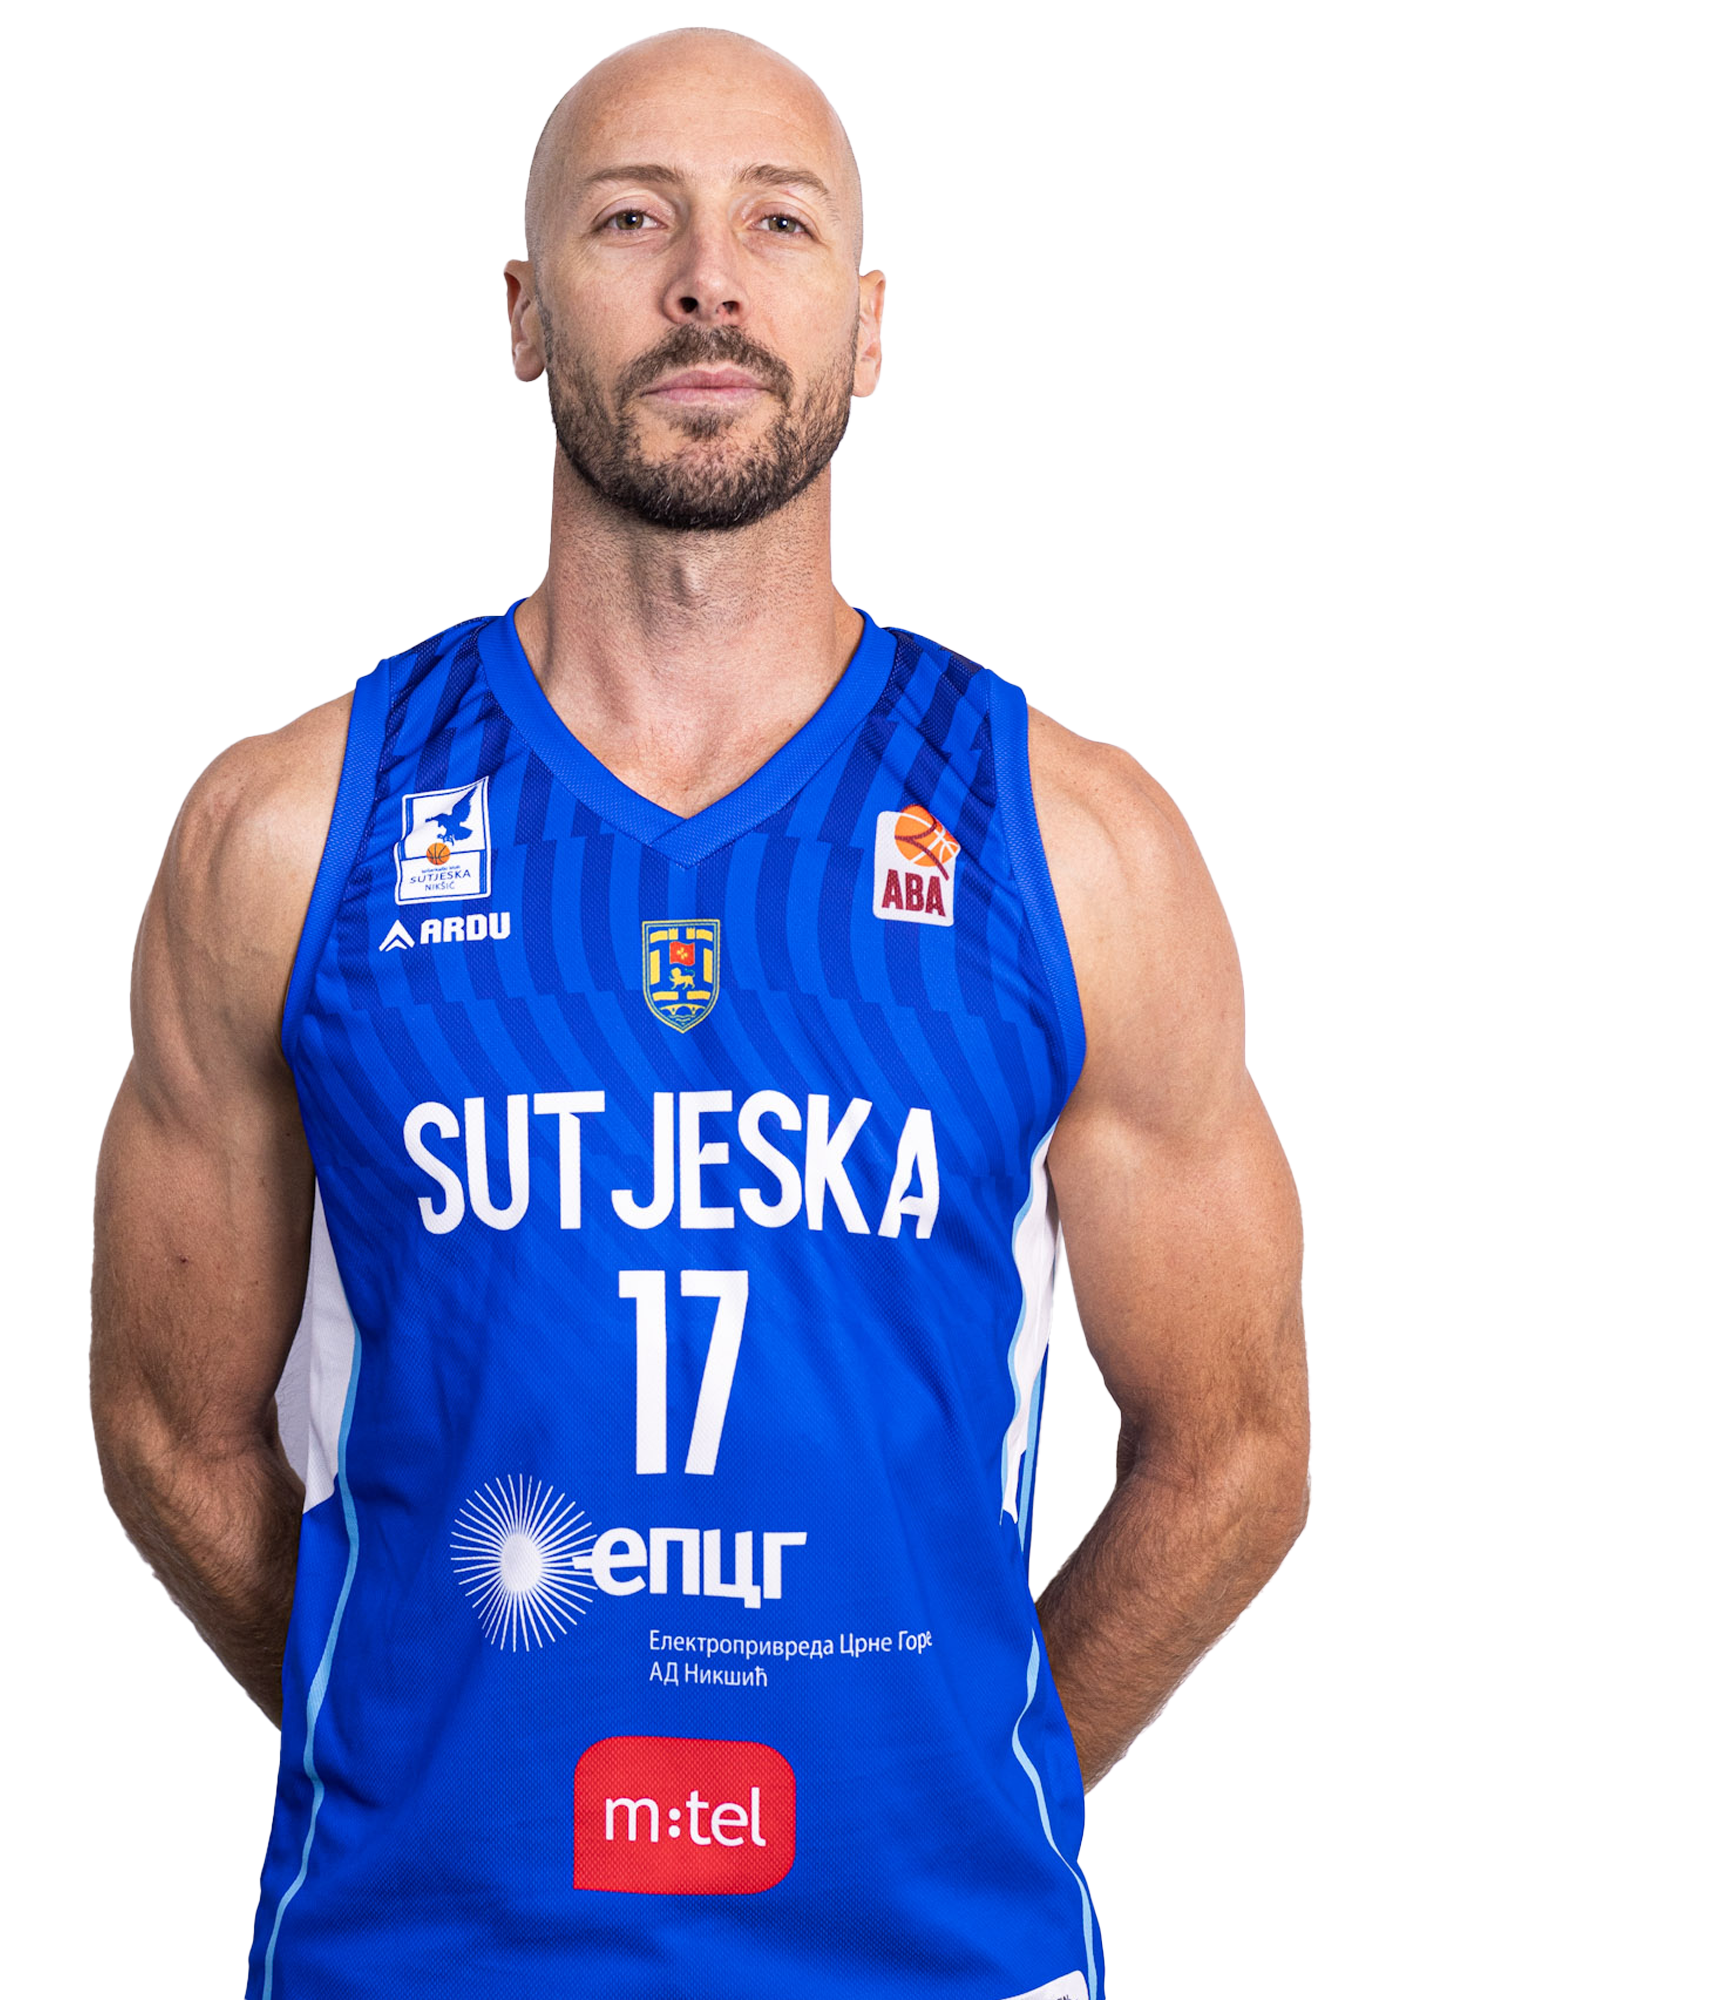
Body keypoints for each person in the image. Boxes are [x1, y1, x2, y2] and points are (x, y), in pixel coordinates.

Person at [90, 28, 1308, 2000]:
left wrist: (955, 1776)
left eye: (779, 224)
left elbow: (1236, 1440)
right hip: (429, 1959)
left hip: (936, 1963)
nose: (709, 282)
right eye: (631, 220)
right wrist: (402, 1727)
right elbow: (166, 1420)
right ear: (522, 311)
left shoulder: (1072, 845)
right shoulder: (293, 833)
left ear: (867, 324)